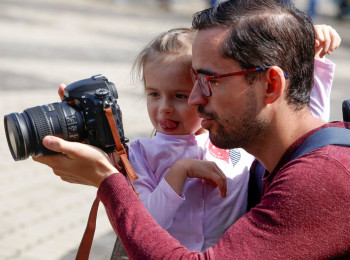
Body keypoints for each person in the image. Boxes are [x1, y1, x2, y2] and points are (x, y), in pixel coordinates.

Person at [34, 0, 350, 258]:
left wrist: (106, 180)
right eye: (153, 94)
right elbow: (304, 122)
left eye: (208, 82)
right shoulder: (146, 152)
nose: (195, 100)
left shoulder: (313, 175)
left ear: (271, 85)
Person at [122, 24, 337, 253]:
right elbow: (146, 226)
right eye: (154, 94)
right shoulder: (139, 154)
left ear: (204, 92)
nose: (164, 108)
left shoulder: (234, 138)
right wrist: (180, 171)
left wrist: (315, 60)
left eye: (180, 96)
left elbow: (304, 137)